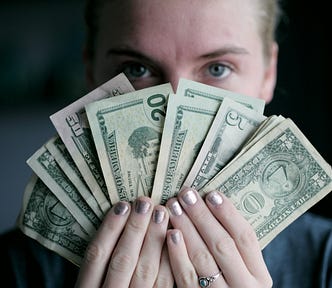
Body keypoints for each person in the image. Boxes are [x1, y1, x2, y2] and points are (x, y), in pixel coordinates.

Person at [0, 0, 331, 287]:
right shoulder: (14, 270)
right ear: (90, 71)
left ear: (268, 74)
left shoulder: (326, 263)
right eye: (137, 68)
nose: (173, 105)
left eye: (218, 68)